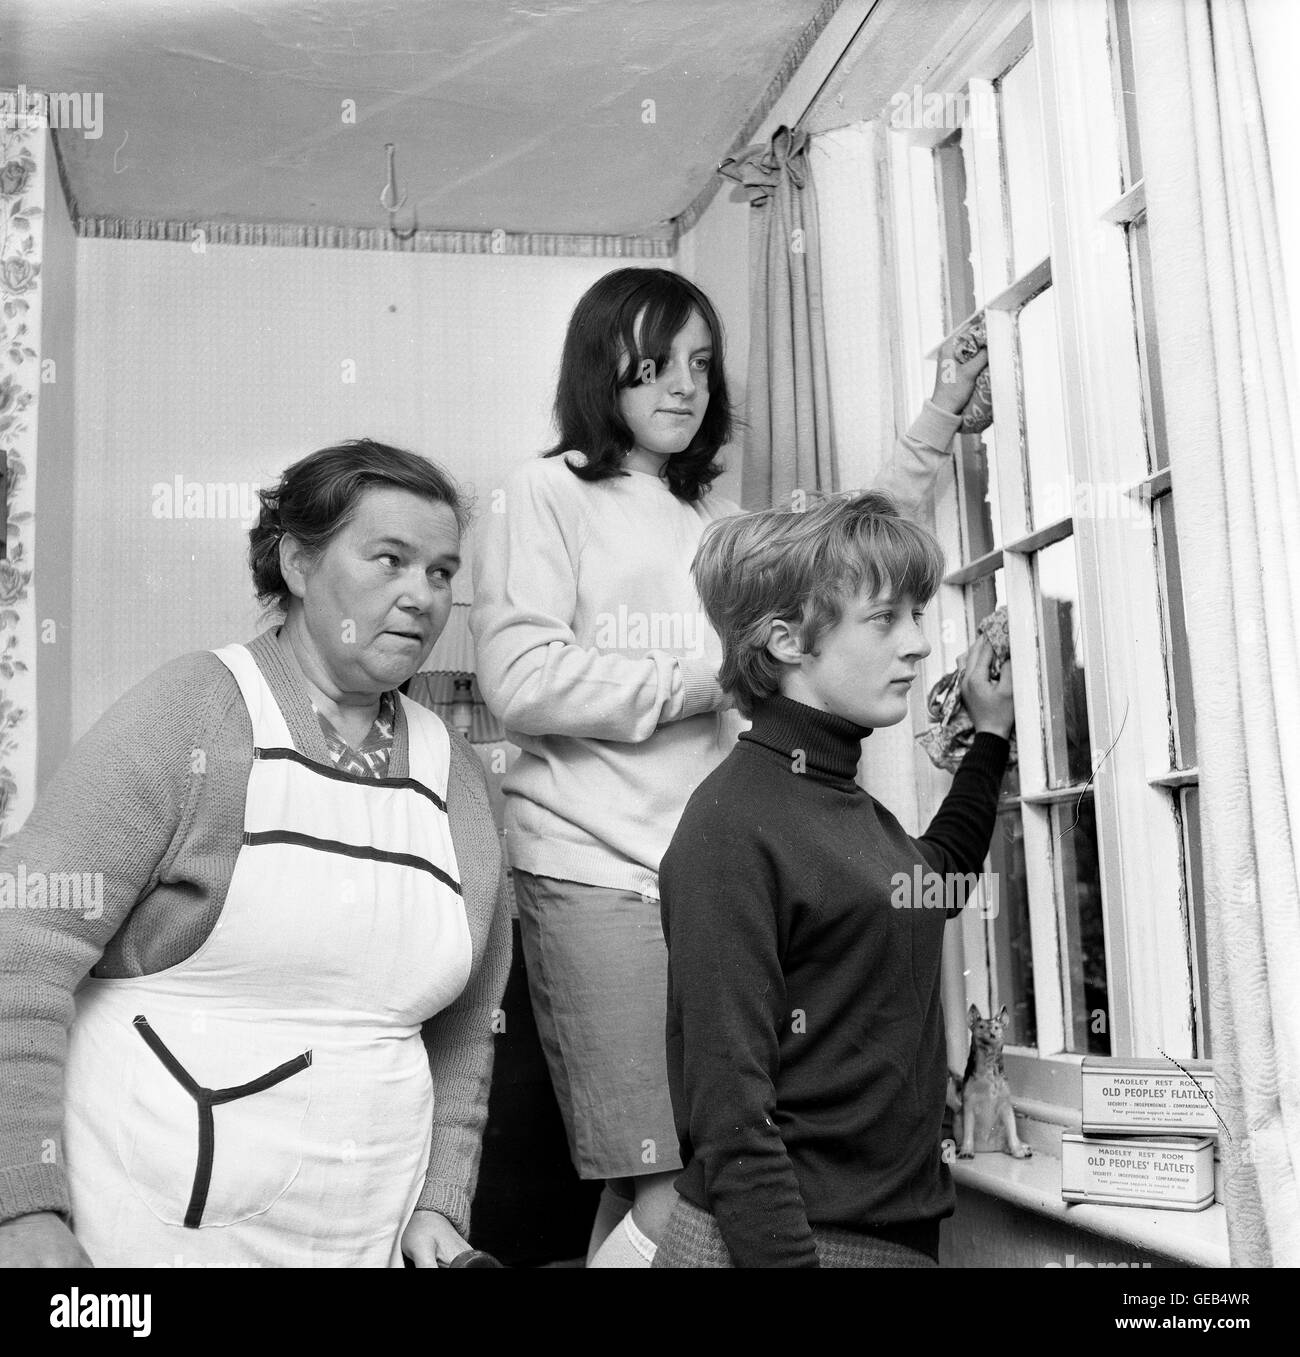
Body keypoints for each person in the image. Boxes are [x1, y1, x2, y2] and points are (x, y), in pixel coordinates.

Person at [469, 267, 990, 1266]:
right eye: (653, 364)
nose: (683, 386)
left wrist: (935, 419)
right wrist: (716, 669)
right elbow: (522, 678)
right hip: (595, 874)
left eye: (701, 364)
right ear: (601, 371)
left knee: (678, 1183)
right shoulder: (545, 492)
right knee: (669, 1181)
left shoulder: (710, 520)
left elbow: (842, 566)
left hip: (715, 875)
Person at [0, 440, 511, 1268]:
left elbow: (466, 1032)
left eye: (443, 572)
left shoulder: (460, 779)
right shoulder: (194, 714)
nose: (421, 596)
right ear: (299, 562)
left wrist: (441, 1202)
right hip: (142, 1234)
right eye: (391, 560)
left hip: (363, 1236)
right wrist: (20, 1203)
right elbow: (21, 946)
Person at [653, 491, 1014, 1267]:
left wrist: (990, 733)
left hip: (875, 1241)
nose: (918, 643)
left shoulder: (840, 803)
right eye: (886, 619)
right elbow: (730, 1112)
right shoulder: (732, 825)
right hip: (783, 1247)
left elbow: (935, 884)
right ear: (786, 640)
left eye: (918, 613)